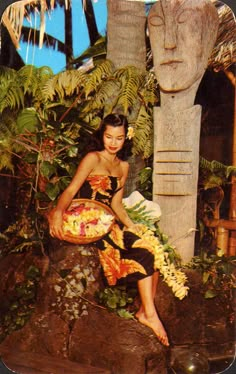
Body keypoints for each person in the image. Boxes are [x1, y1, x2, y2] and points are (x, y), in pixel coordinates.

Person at [49, 113, 169, 347]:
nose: (113, 143)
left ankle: (146, 312)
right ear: (102, 136)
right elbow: (71, 189)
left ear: (126, 139)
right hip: (84, 221)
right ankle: (150, 315)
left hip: (107, 222)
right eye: (109, 137)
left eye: (119, 138)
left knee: (149, 247)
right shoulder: (93, 158)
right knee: (142, 255)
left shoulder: (123, 166)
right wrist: (57, 213)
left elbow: (115, 205)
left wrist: (134, 227)